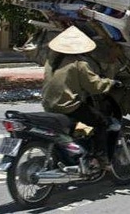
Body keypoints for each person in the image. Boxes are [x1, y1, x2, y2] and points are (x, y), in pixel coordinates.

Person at [41, 25, 123, 170]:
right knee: (102, 123)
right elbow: (95, 86)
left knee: (79, 126)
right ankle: (100, 159)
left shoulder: (51, 61)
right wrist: (112, 83)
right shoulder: (79, 64)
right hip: (68, 107)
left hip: (48, 105)